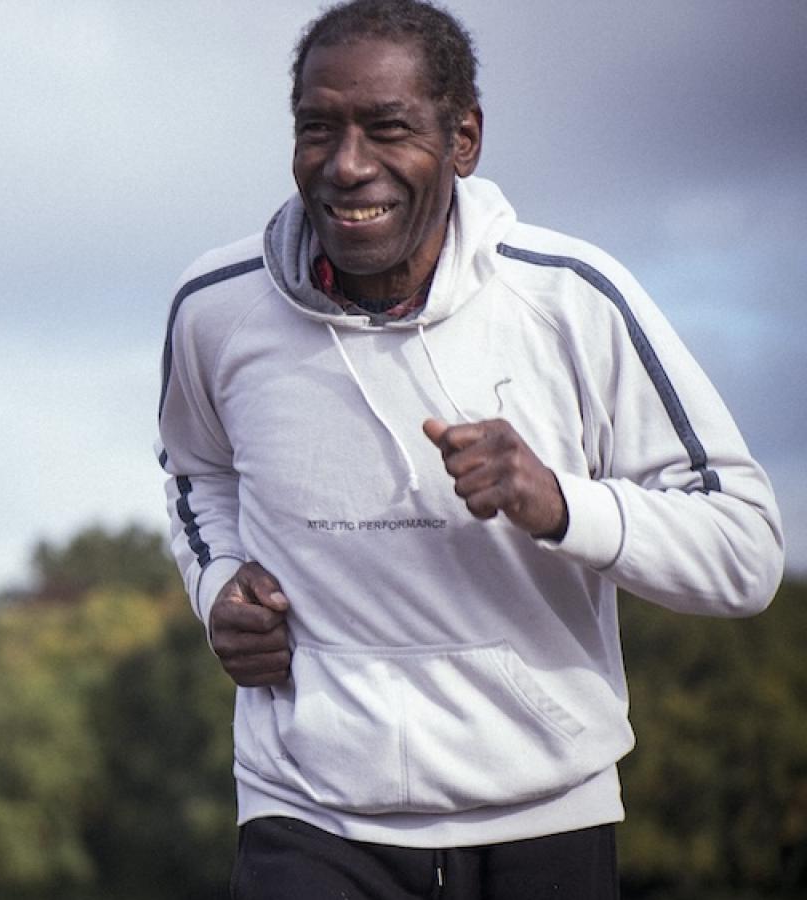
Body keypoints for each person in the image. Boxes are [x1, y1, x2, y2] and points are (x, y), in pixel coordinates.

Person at [155, 1, 785, 896]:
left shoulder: (570, 299)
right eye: (318, 128)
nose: (347, 164)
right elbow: (198, 472)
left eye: (388, 128)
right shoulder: (216, 307)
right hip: (307, 811)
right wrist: (220, 584)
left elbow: (746, 551)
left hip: (545, 813)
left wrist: (559, 503)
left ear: (464, 140)